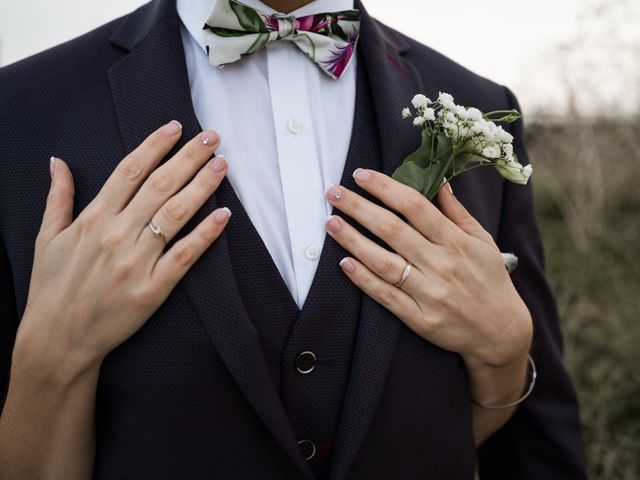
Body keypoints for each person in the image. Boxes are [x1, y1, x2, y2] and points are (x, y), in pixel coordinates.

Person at [0, 0, 586, 478]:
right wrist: (50, 359)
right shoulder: (22, 111)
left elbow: (537, 447)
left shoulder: (479, 106)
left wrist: (507, 353)